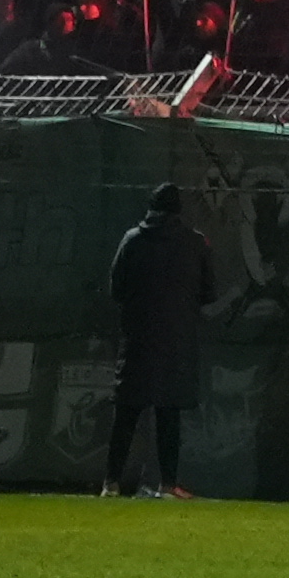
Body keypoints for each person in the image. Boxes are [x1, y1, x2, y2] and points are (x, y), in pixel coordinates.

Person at [105, 184, 217, 498]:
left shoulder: (133, 239)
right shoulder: (195, 243)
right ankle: (167, 485)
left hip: (138, 338)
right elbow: (209, 292)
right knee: (169, 415)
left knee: (126, 414)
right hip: (177, 341)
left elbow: (116, 288)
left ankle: (110, 483)